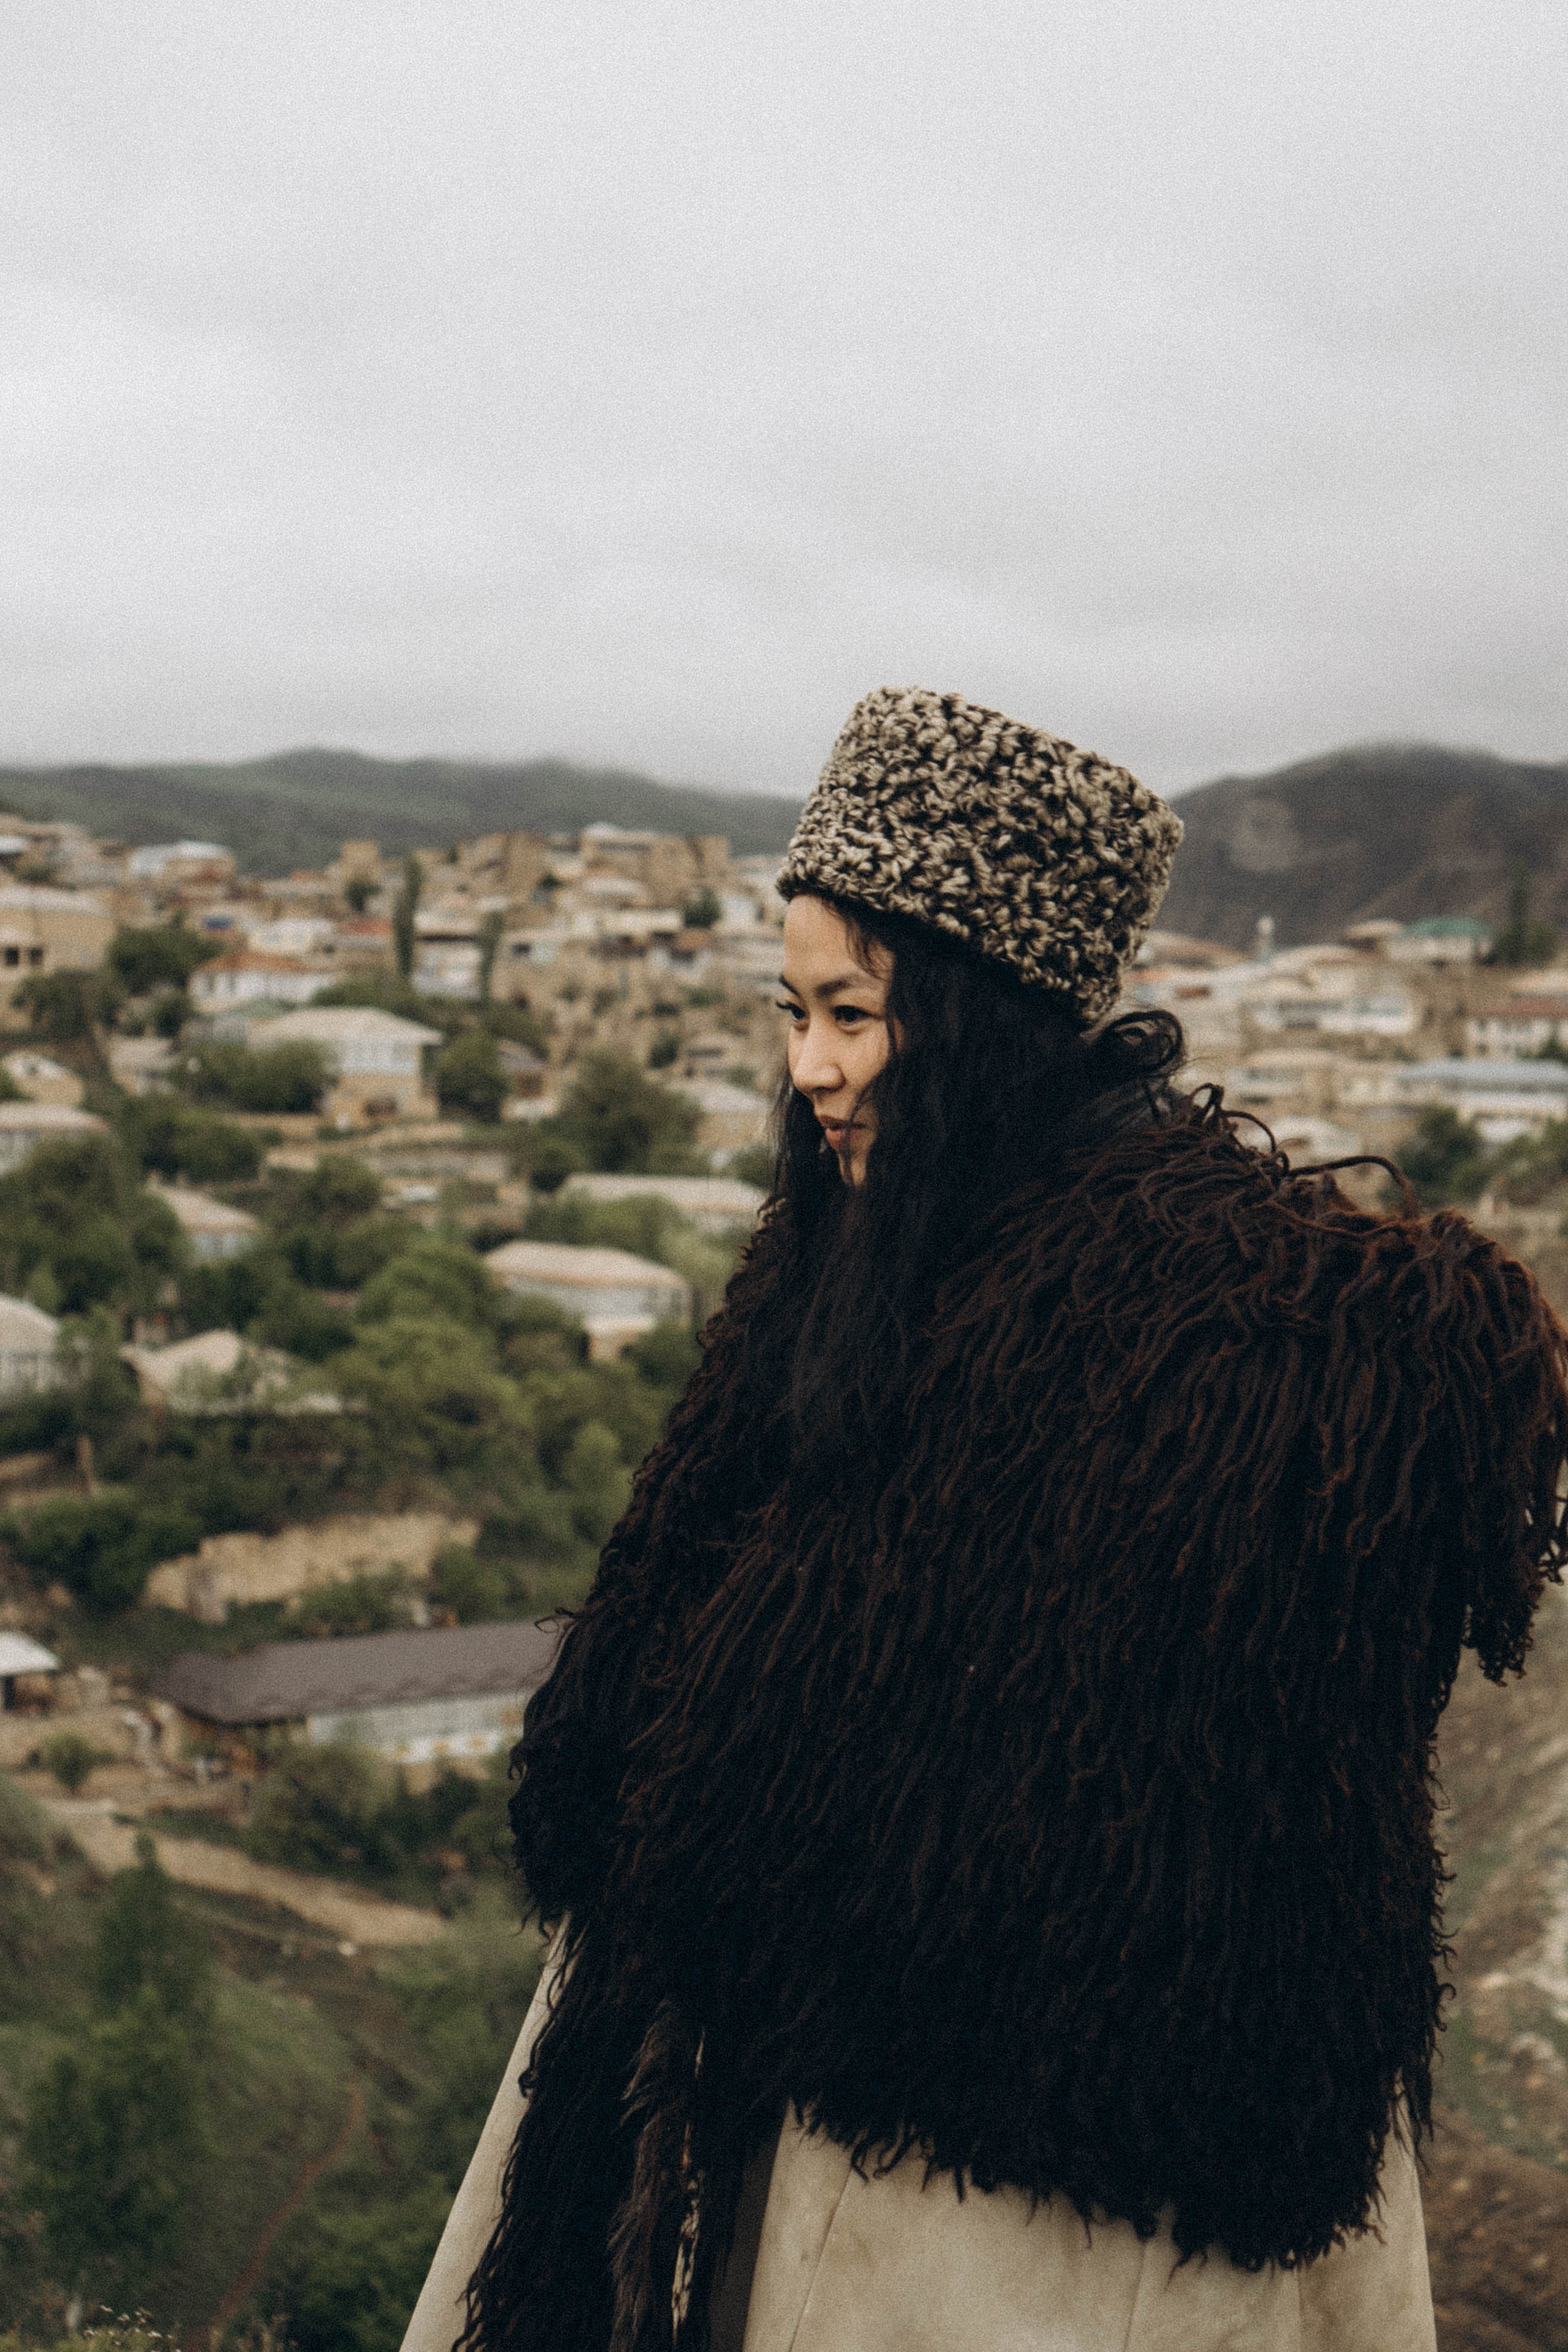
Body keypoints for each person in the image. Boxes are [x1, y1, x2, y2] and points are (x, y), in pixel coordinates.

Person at [404, 687, 1568, 2352]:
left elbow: (1227, 1818)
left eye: (853, 1015)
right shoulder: (850, 1262)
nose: (810, 1067)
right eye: (793, 1013)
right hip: (758, 2110)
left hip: (1022, 2231)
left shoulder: (1239, 1351)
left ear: (981, 1017)